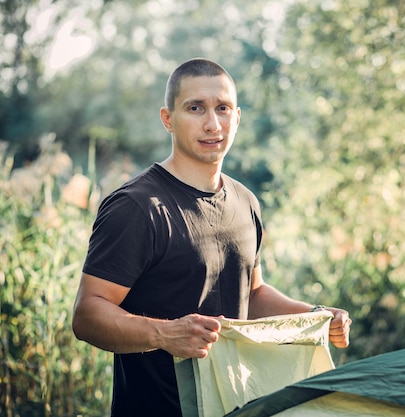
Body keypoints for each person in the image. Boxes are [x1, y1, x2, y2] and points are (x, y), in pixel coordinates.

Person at [72, 58, 351, 417]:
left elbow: (252, 293)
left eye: (222, 108)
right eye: (195, 108)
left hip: (235, 407)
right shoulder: (137, 207)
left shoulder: (245, 201)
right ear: (168, 119)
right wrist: (165, 334)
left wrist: (315, 316)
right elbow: (87, 315)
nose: (212, 123)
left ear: (237, 118)